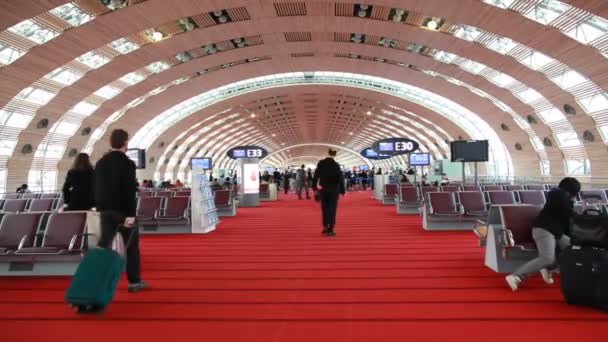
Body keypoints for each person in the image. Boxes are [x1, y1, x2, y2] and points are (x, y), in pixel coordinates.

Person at [505, 177, 581, 291]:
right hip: (543, 230)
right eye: (574, 193)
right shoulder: (556, 194)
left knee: (575, 248)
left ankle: (549, 268)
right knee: (547, 257)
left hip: (556, 233)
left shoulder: (566, 201)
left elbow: (567, 221)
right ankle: (516, 276)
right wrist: (573, 205)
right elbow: (567, 210)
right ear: (570, 191)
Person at [95, 129, 145, 295]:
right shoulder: (128, 163)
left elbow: (97, 187)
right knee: (131, 247)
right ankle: (134, 281)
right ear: (125, 143)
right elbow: (129, 191)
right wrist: (131, 215)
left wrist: (100, 207)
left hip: (105, 211)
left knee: (105, 246)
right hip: (123, 212)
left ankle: (100, 280)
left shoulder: (101, 162)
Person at [313, 149, 346, 237]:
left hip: (323, 189)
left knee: (324, 208)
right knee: (332, 209)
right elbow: (340, 179)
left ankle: (324, 227)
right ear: (334, 155)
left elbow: (316, 176)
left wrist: (314, 188)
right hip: (334, 190)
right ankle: (331, 229)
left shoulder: (321, 164)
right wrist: (342, 190)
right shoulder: (336, 165)